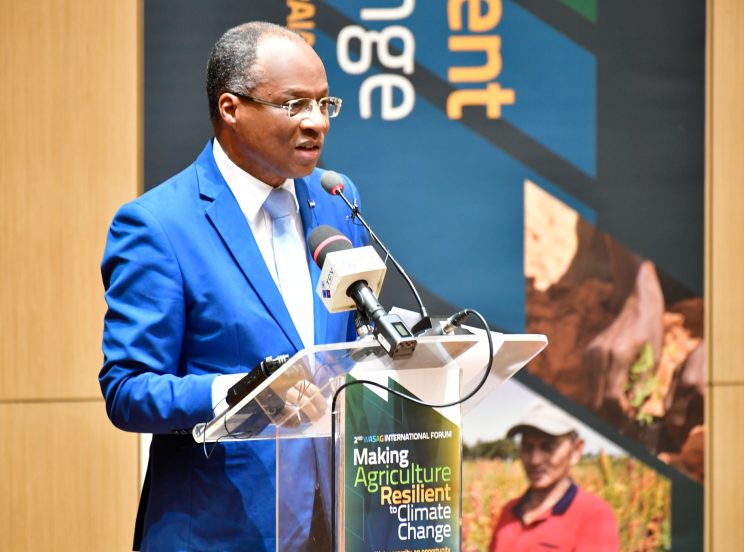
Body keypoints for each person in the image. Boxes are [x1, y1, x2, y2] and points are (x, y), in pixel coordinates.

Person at [99, 21, 367, 551]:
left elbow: (348, 339)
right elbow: (127, 389)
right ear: (231, 108)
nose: (316, 122)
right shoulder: (159, 226)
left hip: (334, 524)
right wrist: (241, 392)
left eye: (324, 103)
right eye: (294, 104)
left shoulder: (337, 200)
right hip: (220, 531)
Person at [489, 401, 619, 552]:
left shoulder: (594, 515)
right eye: (527, 447)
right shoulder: (508, 511)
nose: (535, 460)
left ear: (576, 450)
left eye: (548, 447)